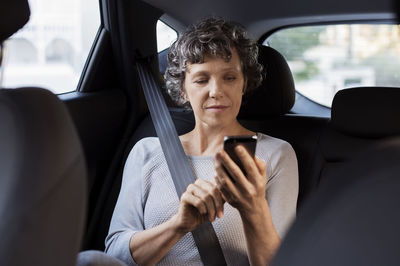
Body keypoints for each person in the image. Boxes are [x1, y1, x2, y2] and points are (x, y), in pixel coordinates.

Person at [105, 17, 298, 266]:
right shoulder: (146, 151)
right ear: (183, 89)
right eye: (201, 79)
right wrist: (179, 225)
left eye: (229, 77)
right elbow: (113, 256)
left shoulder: (275, 154)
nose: (216, 90)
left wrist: (253, 208)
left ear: (244, 84)